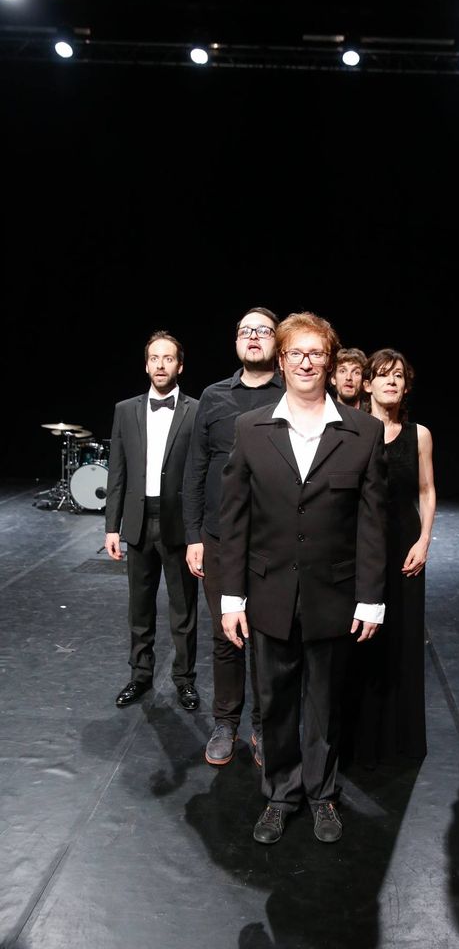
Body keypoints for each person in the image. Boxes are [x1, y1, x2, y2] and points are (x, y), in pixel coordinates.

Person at [219, 311, 387, 845]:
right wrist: (231, 597)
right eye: (296, 353)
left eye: (316, 353)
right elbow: (234, 520)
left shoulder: (363, 432)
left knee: (324, 704)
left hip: (333, 595)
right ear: (282, 361)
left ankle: (322, 795)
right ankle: (280, 795)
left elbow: (372, 523)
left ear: (330, 361)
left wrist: (371, 598)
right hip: (268, 591)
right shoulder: (250, 429)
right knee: (274, 701)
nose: (306, 362)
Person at [182, 307, 284, 768]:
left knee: (266, 636)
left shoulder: (291, 393)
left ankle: (263, 725)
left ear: (277, 341)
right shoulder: (214, 395)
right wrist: (193, 535)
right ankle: (226, 722)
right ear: (236, 342)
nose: (253, 337)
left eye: (262, 330)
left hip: (273, 539)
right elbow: (196, 467)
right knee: (226, 634)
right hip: (219, 536)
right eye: (245, 331)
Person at [343, 348, 435, 768]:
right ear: (367, 384)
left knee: (402, 638)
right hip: (361, 547)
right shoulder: (352, 429)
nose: (391, 381)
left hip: (404, 546)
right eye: (383, 375)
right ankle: (357, 737)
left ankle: (399, 738)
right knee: (361, 638)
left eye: (398, 375)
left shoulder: (420, 435)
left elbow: (426, 491)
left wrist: (425, 540)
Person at [105, 330, 200, 711]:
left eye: (168, 358)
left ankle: (185, 680)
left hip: (179, 523)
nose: (161, 365)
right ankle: (140, 675)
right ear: (146, 365)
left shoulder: (196, 410)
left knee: (184, 610)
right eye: (154, 358)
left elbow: (200, 473)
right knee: (139, 608)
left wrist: (198, 531)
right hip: (138, 522)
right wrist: (111, 526)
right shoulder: (125, 410)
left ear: (180, 365)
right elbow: (117, 471)